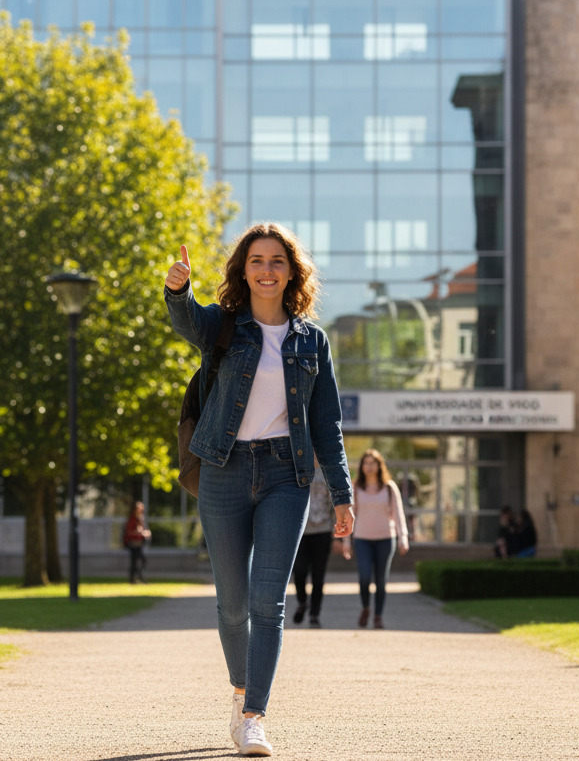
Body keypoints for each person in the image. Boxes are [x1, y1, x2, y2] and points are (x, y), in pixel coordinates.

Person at [165, 223, 354, 758]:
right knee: (232, 605)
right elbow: (187, 319)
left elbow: (327, 424)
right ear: (243, 271)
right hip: (223, 469)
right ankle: (241, 689)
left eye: (277, 261)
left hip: (285, 476)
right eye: (256, 261)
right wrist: (178, 290)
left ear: (292, 272)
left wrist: (343, 493)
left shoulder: (312, 341)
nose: (266, 270)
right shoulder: (223, 325)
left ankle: (254, 717)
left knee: (268, 601)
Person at [341, 449, 409, 629]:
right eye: (366, 463)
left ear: (380, 466)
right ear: (362, 466)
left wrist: (403, 538)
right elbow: (350, 516)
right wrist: (346, 541)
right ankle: (366, 608)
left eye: (373, 463)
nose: (369, 466)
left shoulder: (389, 487)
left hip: (386, 539)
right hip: (362, 538)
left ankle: (378, 616)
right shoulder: (356, 487)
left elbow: (399, 514)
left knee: (381, 580)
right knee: (364, 577)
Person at [291, 461, 333, 628]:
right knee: (299, 571)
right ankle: (302, 602)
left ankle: (315, 614)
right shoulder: (296, 466)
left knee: (318, 576)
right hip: (300, 531)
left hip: (323, 530)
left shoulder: (327, 470)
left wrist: (337, 534)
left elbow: (334, 502)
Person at [122, 500, 152, 583]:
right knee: (136, 561)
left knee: (139, 561)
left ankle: (136, 577)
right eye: (139, 509)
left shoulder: (140, 519)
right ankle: (135, 578)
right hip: (133, 543)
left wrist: (146, 532)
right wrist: (140, 532)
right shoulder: (132, 519)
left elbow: (144, 529)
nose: (141, 511)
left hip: (139, 543)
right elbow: (129, 532)